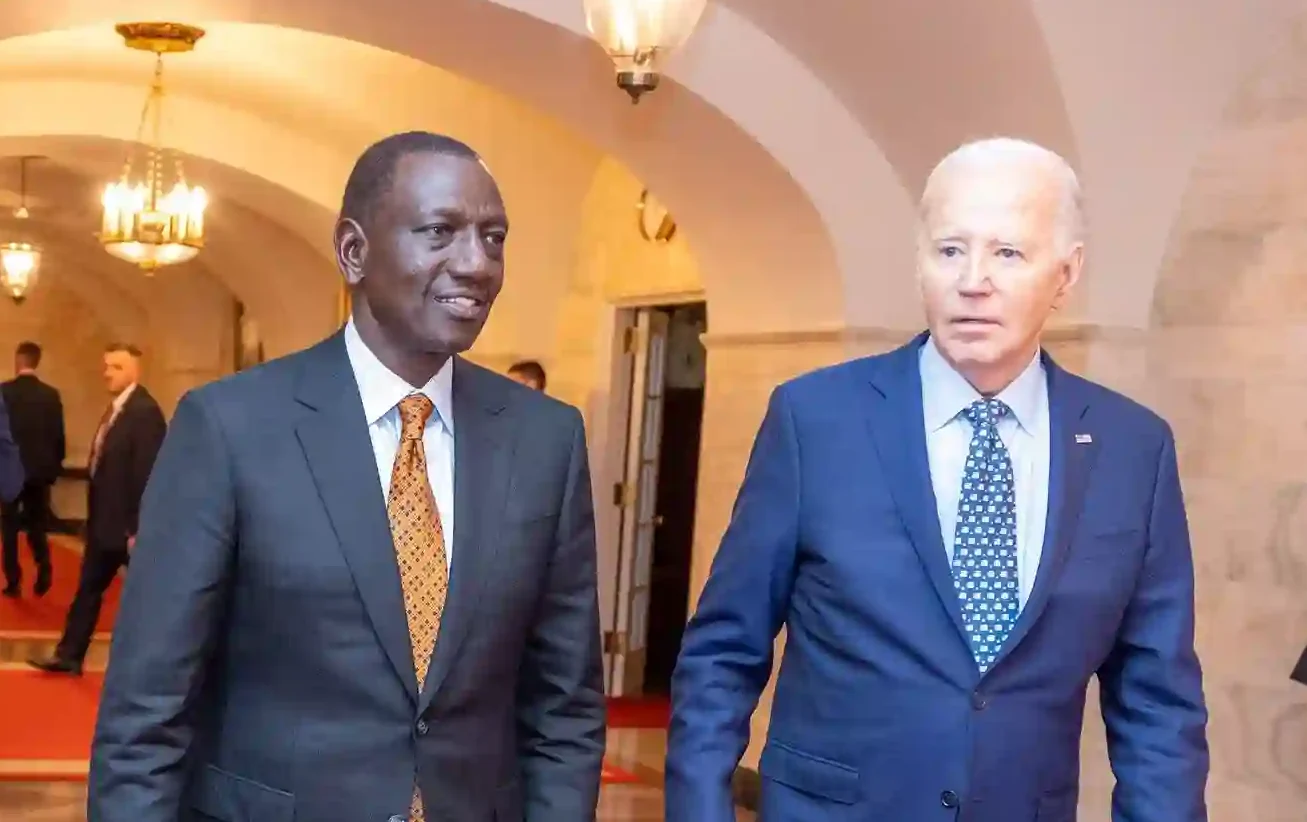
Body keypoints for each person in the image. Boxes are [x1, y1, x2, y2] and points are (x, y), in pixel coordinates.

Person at [666, 137, 1209, 821]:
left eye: (1007, 253)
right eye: (949, 250)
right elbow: (722, 653)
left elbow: (1156, 699)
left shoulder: (1133, 448)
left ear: (1065, 276)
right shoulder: (815, 421)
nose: (972, 279)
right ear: (919, 262)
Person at [88, 131, 605, 822]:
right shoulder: (230, 427)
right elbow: (145, 711)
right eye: (440, 232)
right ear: (354, 251)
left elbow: (563, 706)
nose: (476, 263)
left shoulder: (546, 439)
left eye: (493, 237)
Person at [29, 343, 165, 675]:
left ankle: (159, 665)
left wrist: (137, 527)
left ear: (135, 370)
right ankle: (69, 656)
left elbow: (147, 474)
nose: (107, 373)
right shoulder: (116, 410)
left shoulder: (145, 412)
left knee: (149, 599)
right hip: (104, 524)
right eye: (106, 366)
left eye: (116, 367)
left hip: (127, 529)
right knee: (88, 590)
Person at [1, 341, 64, 597]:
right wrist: (54, 468)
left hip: (8, 470)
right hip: (39, 471)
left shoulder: (3, 392)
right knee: (38, 524)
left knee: (9, 527)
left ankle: (14, 581)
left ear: (18, 360)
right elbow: (58, 436)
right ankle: (44, 568)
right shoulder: (50, 395)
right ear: (36, 362)